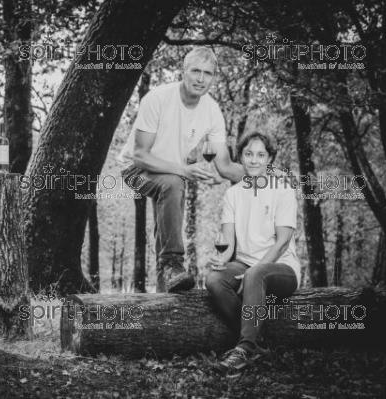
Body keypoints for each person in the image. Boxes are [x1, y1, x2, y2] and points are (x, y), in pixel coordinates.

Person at [118, 47, 244, 293]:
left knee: (170, 199)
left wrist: (262, 173)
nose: (200, 78)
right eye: (195, 71)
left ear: (213, 78)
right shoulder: (157, 98)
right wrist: (184, 170)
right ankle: (173, 263)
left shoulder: (212, 111)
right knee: (174, 183)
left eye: (207, 73)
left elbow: (226, 167)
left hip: (170, 175)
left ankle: (166, 288)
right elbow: (140, 154)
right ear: (183, 72)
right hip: (135, 169)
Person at [205, 131, 301, 372]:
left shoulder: (283, 190)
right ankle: (257, 340)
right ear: (240, 157)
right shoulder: (232, 194)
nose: (254, 160)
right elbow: (227, 241)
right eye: (248, 154)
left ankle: (245, 349)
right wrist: (220, 259)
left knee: (255, 275)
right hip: (245, 264)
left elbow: (282, 242)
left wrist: (254, 272)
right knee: (214, 280)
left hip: (282, 268)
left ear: (269, 159)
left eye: (261, 155)